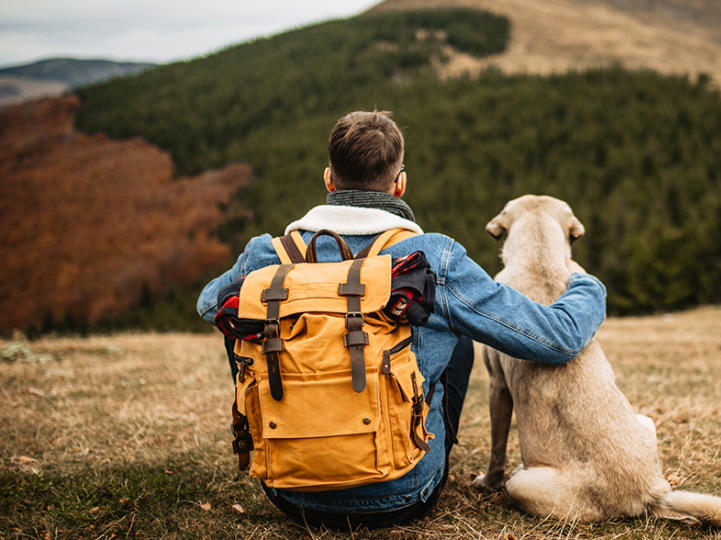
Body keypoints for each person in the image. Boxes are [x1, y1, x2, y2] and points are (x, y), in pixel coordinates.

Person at [196, 110, 607, 530]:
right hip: (403, 493)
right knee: (458, 335)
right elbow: (558, 338)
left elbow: (210, 305)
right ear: (400, 183)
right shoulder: (430, 258)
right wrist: (586, 284)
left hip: (288, 489)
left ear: (328, 180)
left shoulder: (267, 255)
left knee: (248, 318)